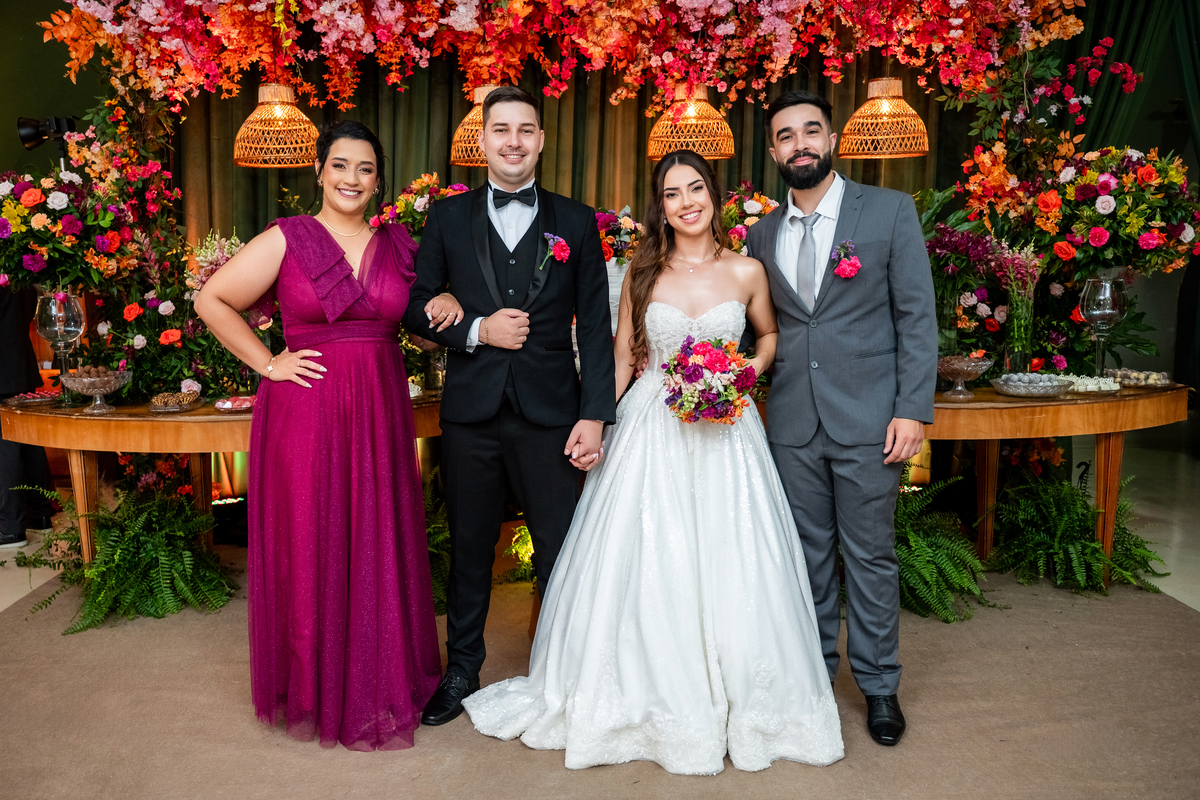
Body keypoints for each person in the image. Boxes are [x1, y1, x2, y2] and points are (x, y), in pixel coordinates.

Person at [461, 150, 844, 775]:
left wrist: (742, 373)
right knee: (646, 553)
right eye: (672, 194)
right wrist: (595, 419)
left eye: (695, 189)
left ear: (713, 195)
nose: (686, 202)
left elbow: (769, 336)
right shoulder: (642, 272)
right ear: (660, 208)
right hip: (652, 422)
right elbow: (621, 358)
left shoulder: (746, 270)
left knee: (733, 556)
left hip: (728, 430)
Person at [195, 120, 457, 750]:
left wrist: (447, 305)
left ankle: (376, 679)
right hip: (306, 409)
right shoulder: (287, 238)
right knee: (312, 537)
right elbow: (212, 300)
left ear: (378, 180)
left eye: (365, 169)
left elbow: (423, 330)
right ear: (318, 171)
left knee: (376, 533)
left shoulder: (399, 245)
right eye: (340, 165)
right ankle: (315, 688)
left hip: (379, 410)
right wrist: (267, 363)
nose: (352, 179)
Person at [403, 85, 616, 727]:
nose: (513, 141)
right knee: (470, 546)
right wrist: (475, 329)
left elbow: (597, 328)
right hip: (472, 412)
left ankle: (561, 671)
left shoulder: (577, 221)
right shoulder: (447, 218)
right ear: (483, 140)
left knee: (559, 547)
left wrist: (595, 414)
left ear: (541, 140)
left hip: (553, 414)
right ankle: (462, 668)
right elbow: (415, 305)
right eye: (501, 130)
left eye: (525, 130)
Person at [748, 90, 937, 747]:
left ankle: (880, 686)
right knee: (805, 559)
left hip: (870, 420)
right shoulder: (760, 234)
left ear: (830, 140)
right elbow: (757, 328)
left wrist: (912, 409)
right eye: (786, 135)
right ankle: (814, 680)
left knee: (870, 557)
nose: (799, 143)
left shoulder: (888, 211)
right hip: (792, 423)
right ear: (774, 151)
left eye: (810, 131)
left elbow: (917, 317)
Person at [0, 286, 56, 547]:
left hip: (3, 370)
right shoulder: (19, 270)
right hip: (19, 363)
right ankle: (39, 512)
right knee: (29, 442)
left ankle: (10, 527)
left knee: (5, 449)